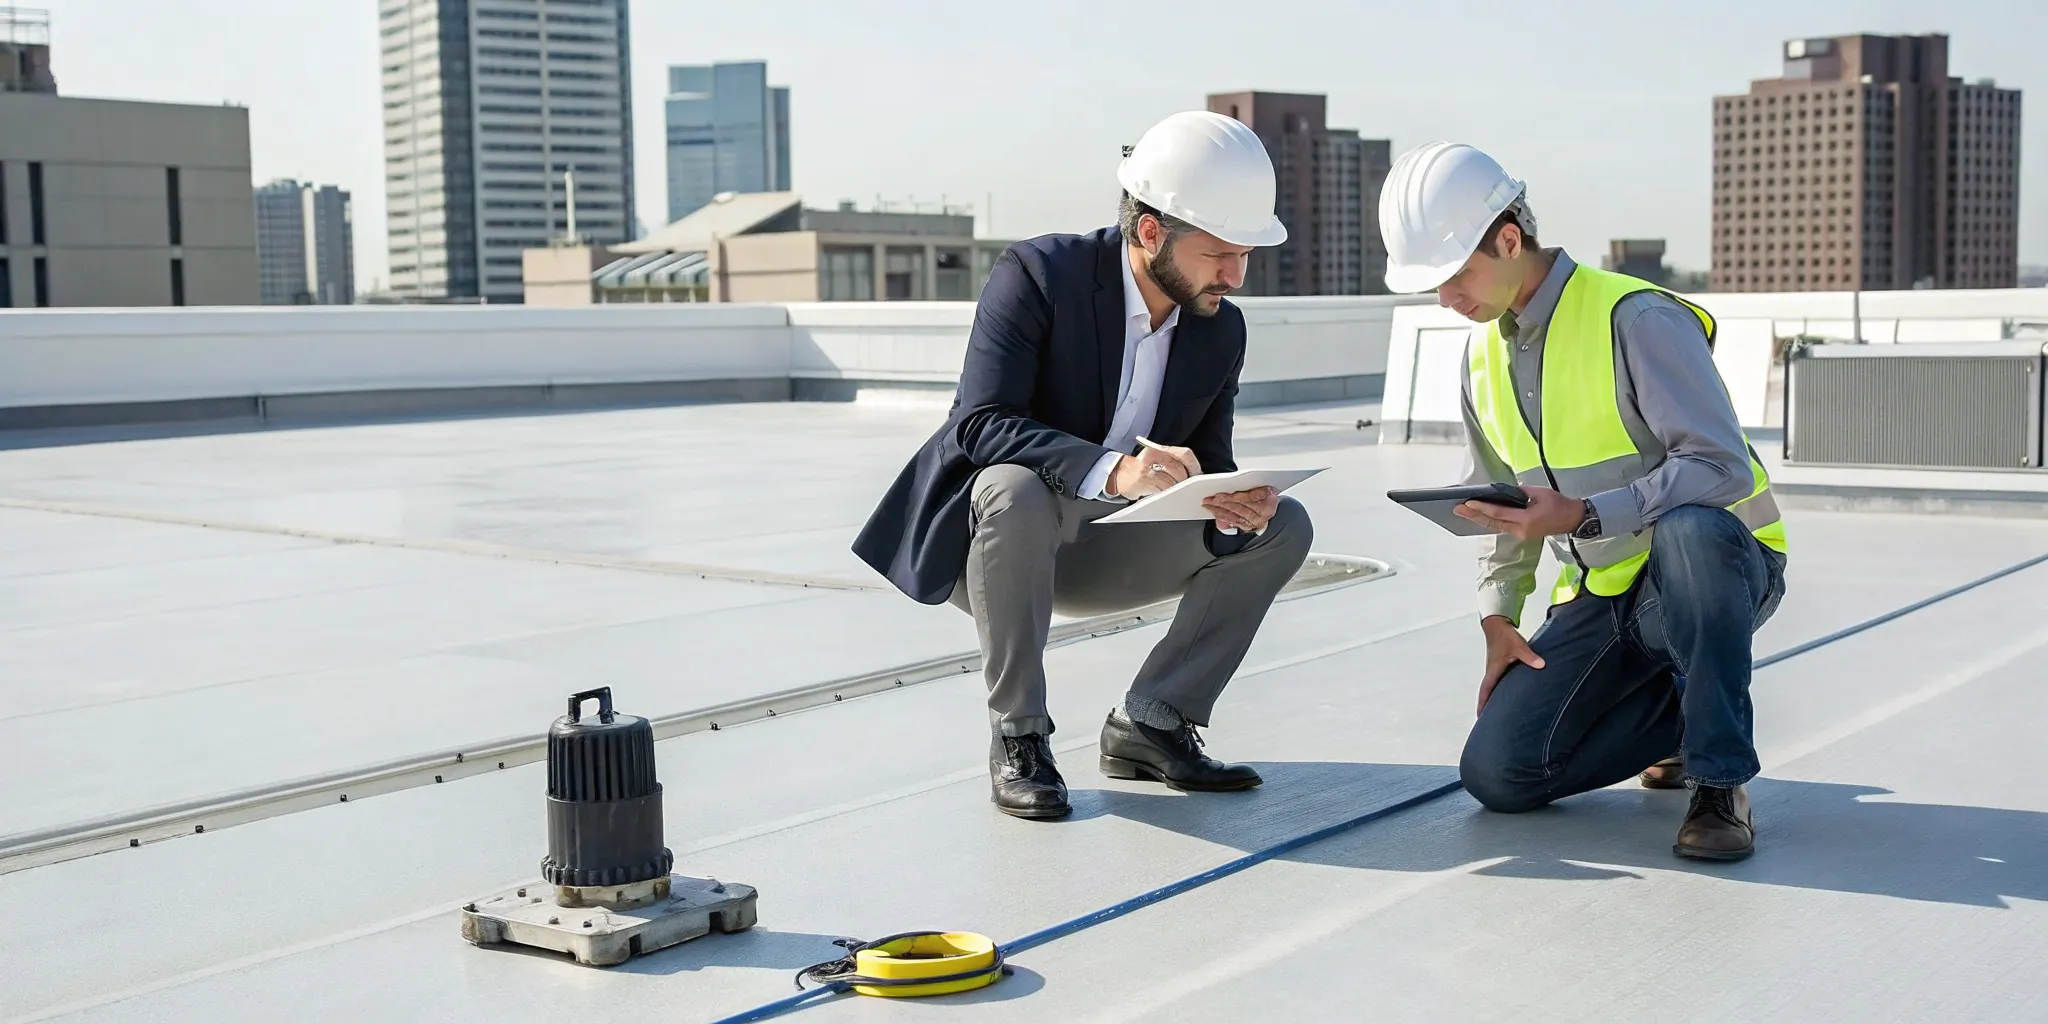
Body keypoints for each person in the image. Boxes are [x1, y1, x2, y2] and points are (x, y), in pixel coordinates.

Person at [853, 111, 1314, 821]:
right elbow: (979, 423)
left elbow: (1210, 462)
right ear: (1152, 231)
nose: (1236, 275)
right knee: (1012, 486)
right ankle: (1020, 739)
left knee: (1284, 524)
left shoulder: (1220, 327)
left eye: (1246, 254)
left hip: (1109, 548)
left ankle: (1154, 721)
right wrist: (1114, 470)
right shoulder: (1038, 275)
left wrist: (1233, 507)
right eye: (1220, 253)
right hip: (999, 544)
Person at [1378, 142, 1789, 861]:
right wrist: (1498, 616)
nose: (1446, 299)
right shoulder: (1480, 357)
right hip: (1605, 589)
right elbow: (1499, 507)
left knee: (1690, 532)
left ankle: (1720, 780)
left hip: (1715, 571)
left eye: (1453, 276)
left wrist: (1585, 515)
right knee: (1499, 773)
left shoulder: (1635, 317)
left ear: (1509, 239)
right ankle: (1682, 717)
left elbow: (1720, 466)